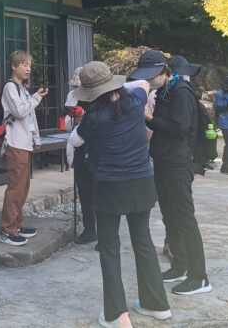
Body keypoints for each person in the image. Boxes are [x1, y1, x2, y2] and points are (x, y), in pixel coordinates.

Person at [66, 61, 171, 328]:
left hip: (109, 186)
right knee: (143, 241)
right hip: (142, 181)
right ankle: (156, 304)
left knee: (110, 248)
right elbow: (143, 83)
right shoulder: (135, 103)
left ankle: (117, 315)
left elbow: (75, 140)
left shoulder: (92, 118)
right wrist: (120, 87)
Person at [136, 50, 211, 296]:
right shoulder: (164, 91)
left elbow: (181, 129)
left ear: (164, 72)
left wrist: (149, 117)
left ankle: (199, 277)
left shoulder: (182, 92)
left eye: (151, 76)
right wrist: (149, 119)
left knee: (185, 218)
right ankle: (179, 265)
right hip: (163, 160)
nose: (149, 81)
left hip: (179, 162)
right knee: (170, 216)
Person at [0, 50, 47, 246]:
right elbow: (20, 111)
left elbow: (30, 117)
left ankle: (17, 224)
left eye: (30, 65)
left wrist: (36, 138)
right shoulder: (10, 87)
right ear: (13, 66)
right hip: (15, 142)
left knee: (23, 186)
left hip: (24, 143)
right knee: (15, 187)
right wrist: (36, 98)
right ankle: (7, 229)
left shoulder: (22, 89)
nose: (28, 68)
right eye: (24, 64)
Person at [66, 67, 97, 245]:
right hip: (78, 146)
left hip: (96, 148)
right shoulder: (71, 96)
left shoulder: (99, 97)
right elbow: (66, 125)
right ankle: (89, 229)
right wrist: (74, 119)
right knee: (84, 190)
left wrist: (86, 117)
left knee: (99, 190)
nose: (76, 88)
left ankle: (106, 233)